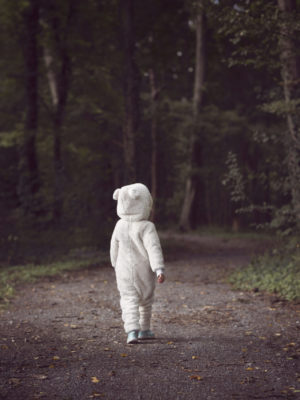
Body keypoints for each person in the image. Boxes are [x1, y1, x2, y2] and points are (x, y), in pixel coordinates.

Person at [110, 183, 165, 344]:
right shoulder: (147, 227)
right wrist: (159, 268)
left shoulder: (119, 225)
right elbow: (153, 248)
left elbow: (114, 245)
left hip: (123, 269)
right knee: (146, 300)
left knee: (128, 299)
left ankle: (132, 331)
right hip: (144, 270)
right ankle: (144, 329)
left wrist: (114, 262)